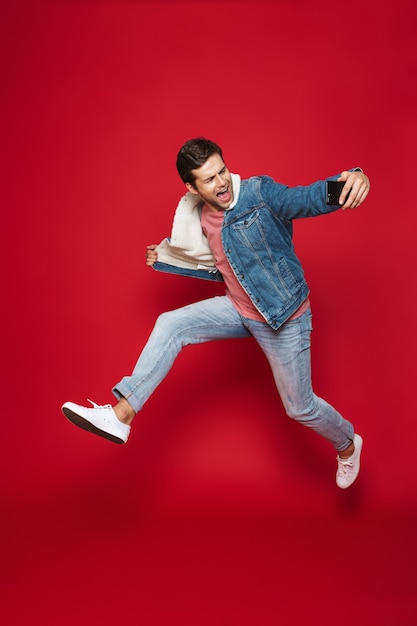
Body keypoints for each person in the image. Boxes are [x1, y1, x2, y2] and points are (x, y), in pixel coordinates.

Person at [62, 137, 370, 489]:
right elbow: (218, 263)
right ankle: (121, 414)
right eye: (209, 179)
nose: (222, 182)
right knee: (171, 324)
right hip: (240, 309)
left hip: (283, 316)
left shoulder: (259, 194)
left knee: (300, 408)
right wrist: (164, 258)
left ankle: (347, 444)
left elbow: (304, 198)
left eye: (222, 171)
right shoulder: (200, 216)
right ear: (192, 187)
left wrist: (353, 180)